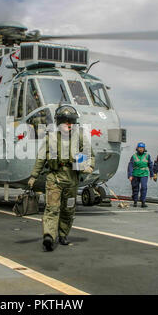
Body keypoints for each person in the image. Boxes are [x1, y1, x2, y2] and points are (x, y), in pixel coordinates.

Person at [28, 105, 95, 251]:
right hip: (55, 177)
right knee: (52, 208)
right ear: (59, 123)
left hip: (72, 179)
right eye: (65, 121)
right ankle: (49, 236)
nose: (68, 124)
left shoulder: (81, 137)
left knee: (68, 209)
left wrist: (89, 166)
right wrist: (34, 176)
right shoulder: (50, 138)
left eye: (70, 121)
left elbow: (90, 155)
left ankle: (63, 234)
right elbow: (41, 159)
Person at [127, 142, 154, 207]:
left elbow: (150, 165)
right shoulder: (134, 156)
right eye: (139, 148)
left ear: (144, 149)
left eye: (142, 148)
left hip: (144, 174)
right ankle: (135, 201)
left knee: (144, 187)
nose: (141, 149)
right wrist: (130, 175)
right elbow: (130, 166)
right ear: (137, 148)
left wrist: (152, 174)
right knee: (135, 188)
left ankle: (143, 202)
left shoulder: (147, 156)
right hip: (135, 174)